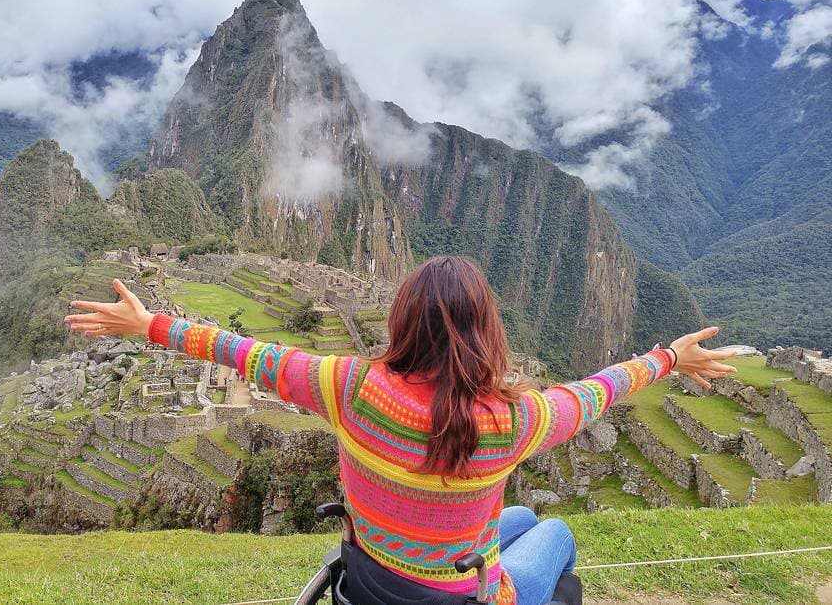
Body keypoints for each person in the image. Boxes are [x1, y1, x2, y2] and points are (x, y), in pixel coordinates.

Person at [64, 256, 736, 605]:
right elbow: (596, 393)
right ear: (487, 331)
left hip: (371, 577)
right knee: (555, 534)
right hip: (458, 594)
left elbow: (242, 352)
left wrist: (149, 324)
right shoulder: (516, 420)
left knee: (524, 517)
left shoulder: (350, 387)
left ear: (402, 321)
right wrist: (671, 358)